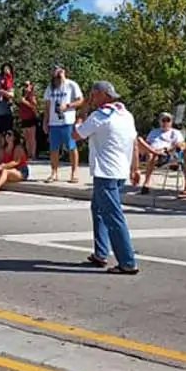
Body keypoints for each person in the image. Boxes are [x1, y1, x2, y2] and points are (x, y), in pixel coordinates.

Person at [72, 81, 139, 275]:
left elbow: (76, 135)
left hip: (105, 172)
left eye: (94, 94)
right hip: (120, 171)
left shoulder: (100, 116)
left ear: (103, 95)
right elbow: (134, 142)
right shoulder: (126, 115)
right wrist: (135, 168)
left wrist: (80, 116)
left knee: (113, 216)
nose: (91, 98)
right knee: (98, 209)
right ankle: (100, 253)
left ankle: (127, 262)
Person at [43, 65, 83, 184]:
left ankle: (74, 172)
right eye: (54, 70)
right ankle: (54, 172)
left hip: (68, 121)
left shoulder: (71, 85)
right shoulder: (50, 87)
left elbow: (80, 100)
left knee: (71, 147)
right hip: (54, 122)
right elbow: (47, 106)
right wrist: (45, 121)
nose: (56, 72)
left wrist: (68, 105)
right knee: (54, 148)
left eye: (58, 70)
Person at [135, 112, 185, 194]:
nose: (165, 123)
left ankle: (146, 183)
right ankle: (136, 168)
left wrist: (166, 149)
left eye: (168, 120)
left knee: (151, 154)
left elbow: (181, 145)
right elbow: (148, 143)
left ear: (171, 122)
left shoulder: (175, 132)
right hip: (151, 151)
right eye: (163, 120)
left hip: (166, 154)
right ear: (159, 121)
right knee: (138, 141)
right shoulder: (154, 132)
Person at [0, 63, 15, 150]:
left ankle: (8, 151)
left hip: (7, 113)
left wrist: (3, 92)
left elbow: (11, 95)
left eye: (0, 80)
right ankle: (0, 151)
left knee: (8, 134)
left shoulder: (9, 84)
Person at [17, 80, 39, 159]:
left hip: (31, 118)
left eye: (27, 85)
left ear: (31, 86)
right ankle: (28, 154)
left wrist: (25, 101)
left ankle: (33, 154)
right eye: (24, 85)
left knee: (32, 138)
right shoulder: (22, 96)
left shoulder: (32, 95)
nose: (25, 87)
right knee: (26, 138)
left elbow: (34, 106)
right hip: (24, 119)